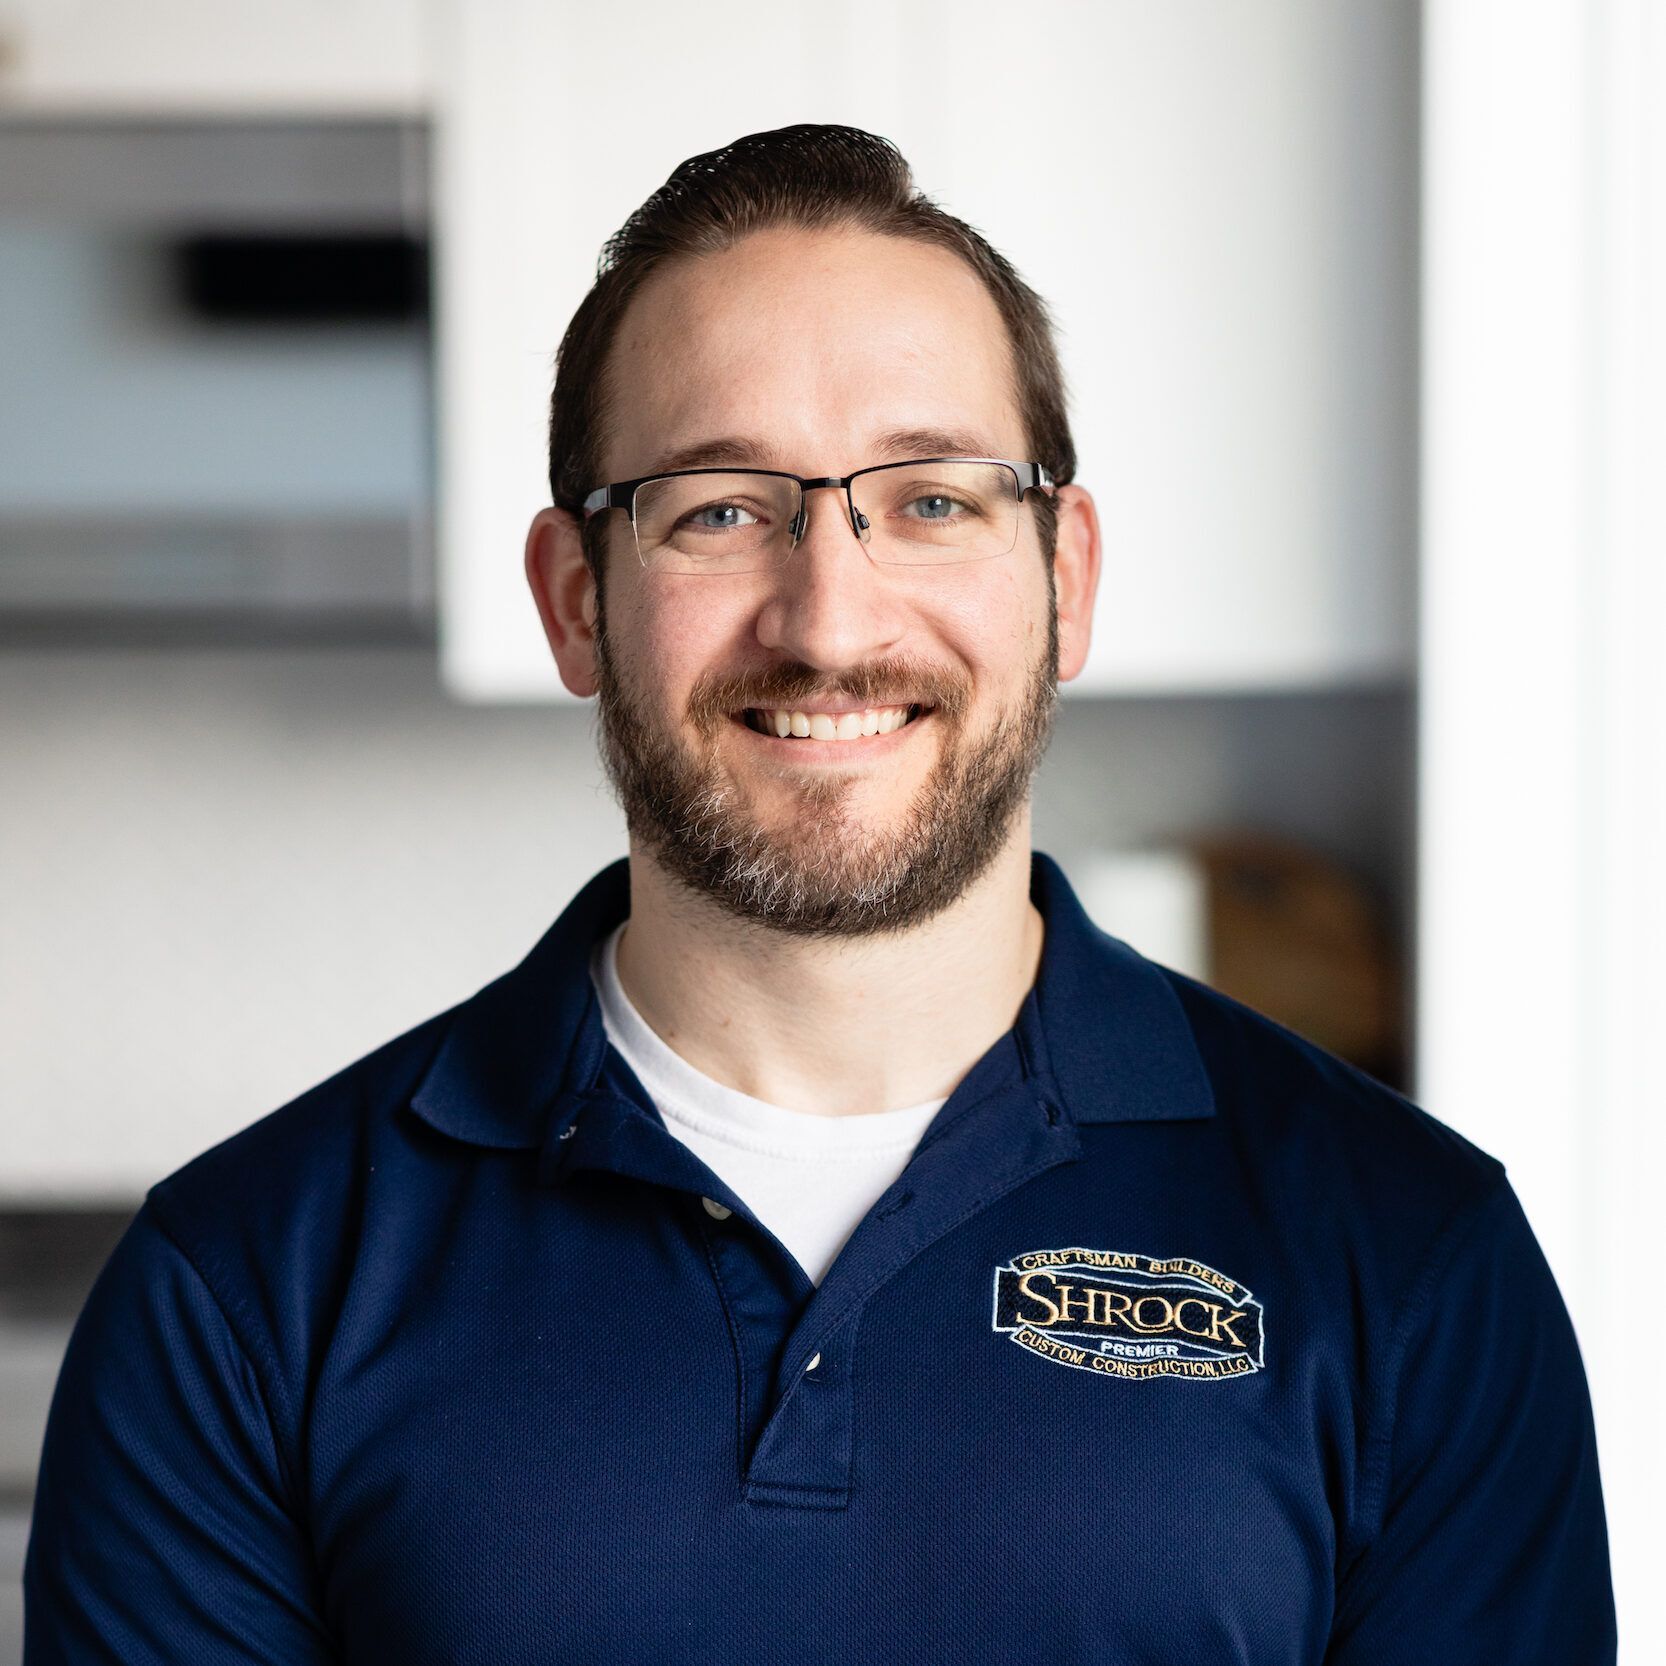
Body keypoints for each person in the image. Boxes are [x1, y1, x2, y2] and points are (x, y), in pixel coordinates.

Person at [24, 124, 1615, 1664]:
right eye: (720, 508)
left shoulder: (1411, 1263)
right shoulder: (237, 1294)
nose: (829, 615)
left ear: (1063, 576)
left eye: (930, 498)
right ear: (576, 602)